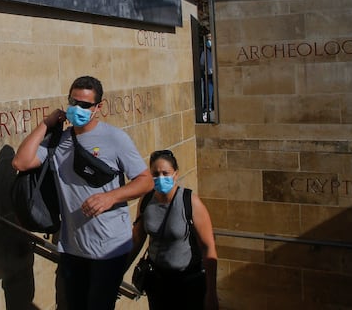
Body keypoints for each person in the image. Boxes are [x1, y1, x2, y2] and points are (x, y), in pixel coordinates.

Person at [12, 76, 154, 310]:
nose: (78, 108)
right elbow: (21, 162)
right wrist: (46, 124)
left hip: (109, 248)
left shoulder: (115, 138)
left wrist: (111, 197)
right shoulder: (59, 141)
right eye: (73, 101)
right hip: (73, 248)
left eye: (85, 105)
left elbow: (145, 181)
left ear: (98, 108)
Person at [129, 150, 218, 310]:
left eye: (166, 173)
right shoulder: (146, 201)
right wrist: (118, 271)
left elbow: (208, 247)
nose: (161, 178)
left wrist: (211, 292)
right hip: (157, 282)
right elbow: (137, 239)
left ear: (175, 174)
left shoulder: (190, 202)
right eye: (156, 174)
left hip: (188, 282)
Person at [199, 33, 214, 121]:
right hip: (209, 74)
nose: (209, 41)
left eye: (210, 38)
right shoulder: (205, 51)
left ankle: (209, 108)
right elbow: (202, 63)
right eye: (208, 39)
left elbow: (201, 63)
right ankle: (208, 109)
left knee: (210, 92)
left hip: (212, 74)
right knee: (209, 92)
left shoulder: (211, 50)